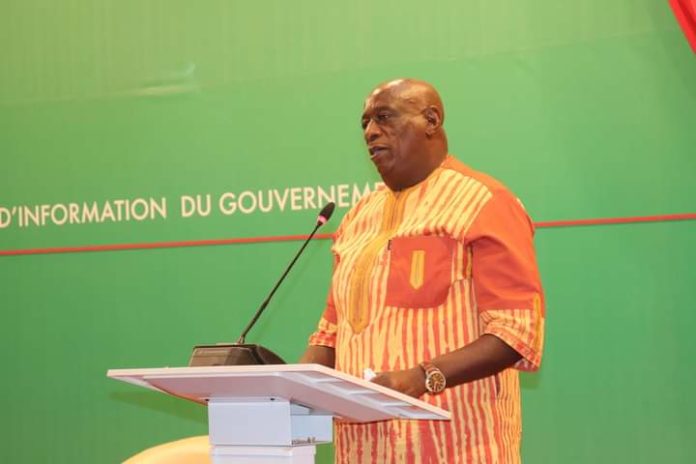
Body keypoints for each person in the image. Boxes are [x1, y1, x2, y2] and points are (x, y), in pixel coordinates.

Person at [300, 78, 545, 463]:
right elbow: (330, 333)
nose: (370, 132)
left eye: (384, 117)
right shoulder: (357, 218)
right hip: (361, 451)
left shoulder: (484, 202)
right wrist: (291, 390)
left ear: (431, 120)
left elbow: (515, 332)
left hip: (458, 447)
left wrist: (420, 377)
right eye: (365, 123)